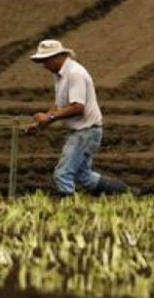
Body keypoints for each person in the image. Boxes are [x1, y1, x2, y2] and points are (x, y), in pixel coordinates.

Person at [26, 39, 130, 197]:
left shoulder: (75, 74)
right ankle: (127, 194)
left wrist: (49, 117)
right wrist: (43, 123)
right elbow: (60, 105)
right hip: (83, 131)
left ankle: (70, 210)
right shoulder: (60, 75)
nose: (43, 65)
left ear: (57, 57)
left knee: (62, 174)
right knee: (85, 177)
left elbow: (77, 107)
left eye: (45, 60)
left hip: (85, 131)